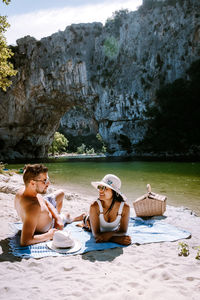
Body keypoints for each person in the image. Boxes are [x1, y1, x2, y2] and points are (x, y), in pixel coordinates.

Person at [15, 164, 83, 246]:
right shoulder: (33, 207)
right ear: (32, 183)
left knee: (61, 193)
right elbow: (25, 241)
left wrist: (57, 218)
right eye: (44, 181)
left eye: (47, 179)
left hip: (47, 211)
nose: (48, 183)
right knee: (67, 216)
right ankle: (70, 218)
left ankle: (60, 216)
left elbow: (45, 202)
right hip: (50, 224)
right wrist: (49, 235)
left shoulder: (23, 191)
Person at [89, 174, 131, 246]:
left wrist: (109, 234)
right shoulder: (94, 206)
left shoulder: (125, 208)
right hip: (88, 222)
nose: (100, 191)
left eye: (105, 188)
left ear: (114, 192)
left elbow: (123, 231)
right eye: (100, 187)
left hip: (107, 230)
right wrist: (115, 239)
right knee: (86, 221)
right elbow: (96, 235)